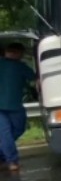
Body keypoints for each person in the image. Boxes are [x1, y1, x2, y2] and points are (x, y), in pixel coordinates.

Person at [0, 42, 37, 172]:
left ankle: (5, 158)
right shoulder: (21, 67)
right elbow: (35, 80)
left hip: (8, 106)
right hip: (14, 105)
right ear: (18, 53)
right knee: (15, 131)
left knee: (5, 134)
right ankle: (12, 161)